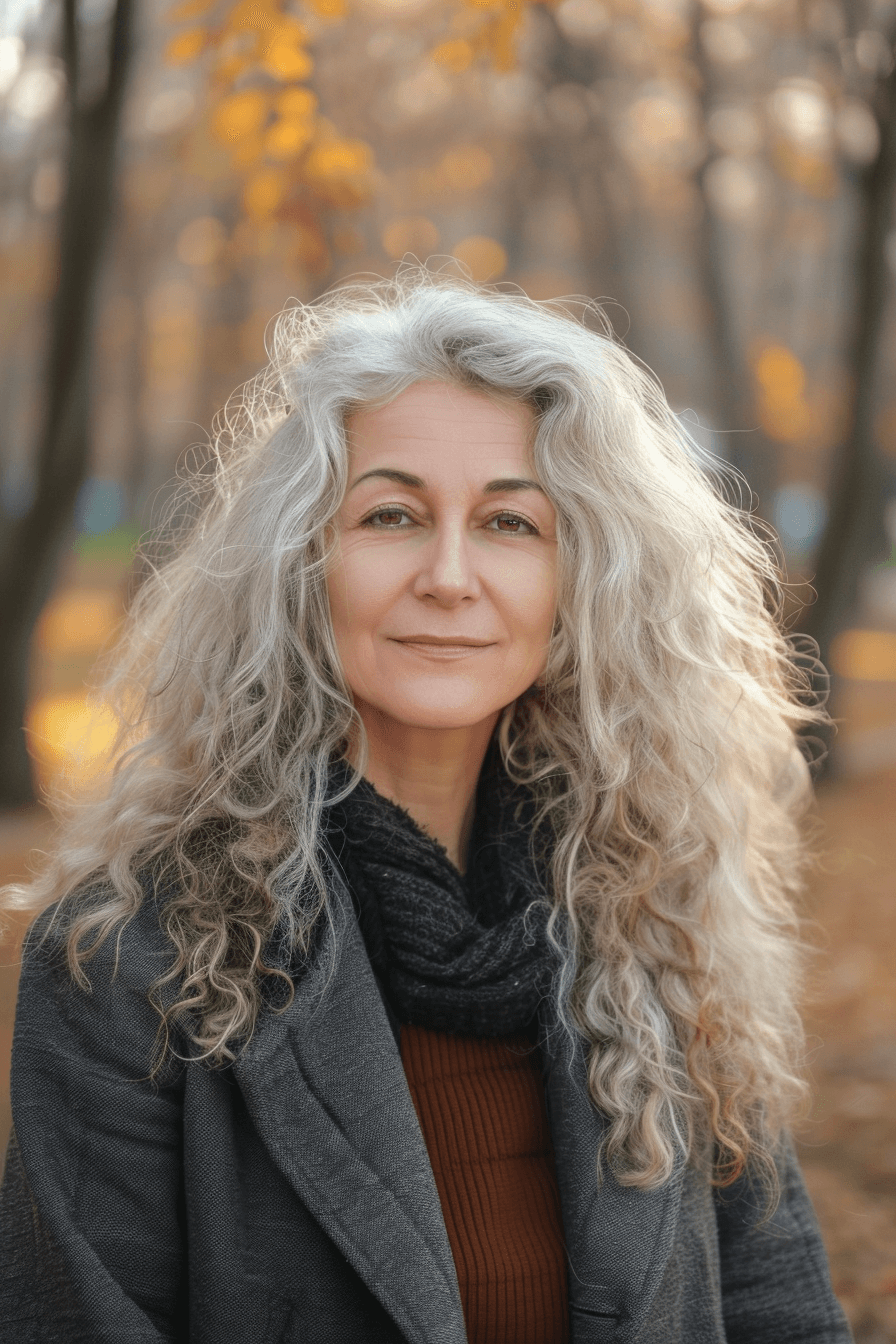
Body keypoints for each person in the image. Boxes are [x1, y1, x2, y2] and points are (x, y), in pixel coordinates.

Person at [0, 268, 852, 1343]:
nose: (449, 576)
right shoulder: (130, 959)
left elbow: (775, 1305)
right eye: (391, 515)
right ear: (302, 562)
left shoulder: (653, 913)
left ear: (579, 581)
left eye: (508, 524)